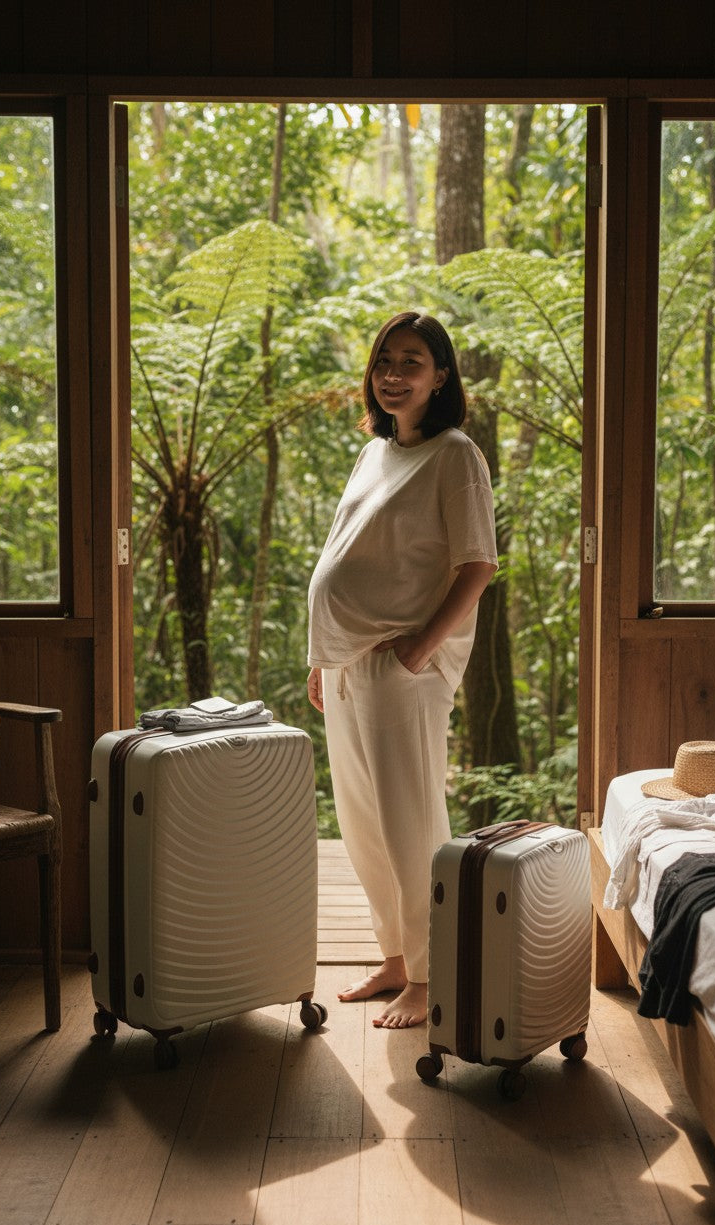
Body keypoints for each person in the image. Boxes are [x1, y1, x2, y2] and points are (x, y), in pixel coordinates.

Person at [306, 310, 498, 1028]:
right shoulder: (376, 452)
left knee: (411, 822)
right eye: (384, 361)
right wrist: (320, 656)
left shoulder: (456, 456)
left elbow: (477, 565)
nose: (392, 375)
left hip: (401, 666)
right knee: (362, 822)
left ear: (440, 375)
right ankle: (395, 957)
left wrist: (419, 648)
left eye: (410, 362)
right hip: (350, 661)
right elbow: (341, 552)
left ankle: (429, 976)